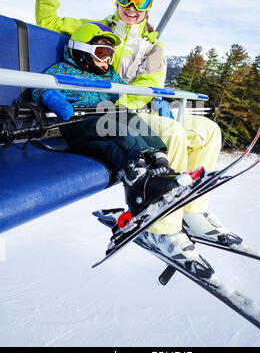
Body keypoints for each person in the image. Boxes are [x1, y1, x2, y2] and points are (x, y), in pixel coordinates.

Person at [35, 0, 242, 250]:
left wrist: (120, 105)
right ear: (117, 0)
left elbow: (147, 83)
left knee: (208, 130)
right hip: (103, 115)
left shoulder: (153, 47)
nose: (131, 7)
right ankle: (162, 225)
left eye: (139, 0)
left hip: (124, 109)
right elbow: (49, 22)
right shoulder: (93, 30)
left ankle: (192, 210)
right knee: (171, 132)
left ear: (148, 6)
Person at [32, 21, 214, 276]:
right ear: (82, 52)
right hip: (80, 122)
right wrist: (50, 96)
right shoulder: (64, 69)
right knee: (119, 133)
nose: (107, 61)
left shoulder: (109, 75)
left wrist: (153, 99)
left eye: (110, 55)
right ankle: (137, 173)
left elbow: (125, 93)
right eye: (101, 54)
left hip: (108, 115)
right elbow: (39, 85)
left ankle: (160, 163)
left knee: (131, 121)